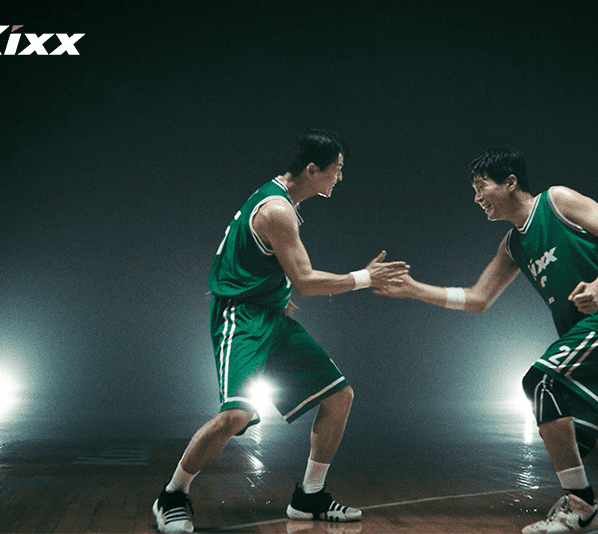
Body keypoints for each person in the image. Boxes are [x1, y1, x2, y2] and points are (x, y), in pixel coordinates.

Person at [377, 148, 598, 534]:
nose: (476, 198)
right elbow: (478, 298)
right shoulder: (513, 245)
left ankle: (583, 510)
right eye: (473, 191)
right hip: (596, 329)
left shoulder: (557, 201)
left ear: (510, 183)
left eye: (482, 187)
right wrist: (414, 290)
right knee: (573, 436)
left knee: (541, 383)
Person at [152, 129, 409, 533]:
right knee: (236, 415)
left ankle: (309, 497)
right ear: (312, 169)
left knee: (339, 396)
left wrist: (276, 291)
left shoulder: (280, 200)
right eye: (337, 170)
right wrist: (365, 277)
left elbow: (258, 260)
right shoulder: (277, 210)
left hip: (268, 312)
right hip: (242, 318)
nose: (340, 178)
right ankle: (172, 494)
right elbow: (305, 279)